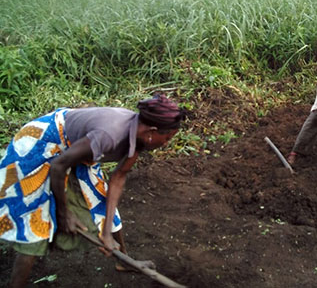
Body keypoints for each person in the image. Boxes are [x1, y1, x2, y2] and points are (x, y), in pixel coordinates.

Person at [0, 93, 185, 288]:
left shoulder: (139, 137)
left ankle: (123, 260)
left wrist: (106, 233)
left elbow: (118, 178)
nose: (166, 144)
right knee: (35, 218)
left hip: (77, 151)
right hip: (43, 144)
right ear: (152, 131)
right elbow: (58, 166)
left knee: (100, 202)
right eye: (166, 138)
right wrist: (64, 214)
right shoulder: (109, 134)